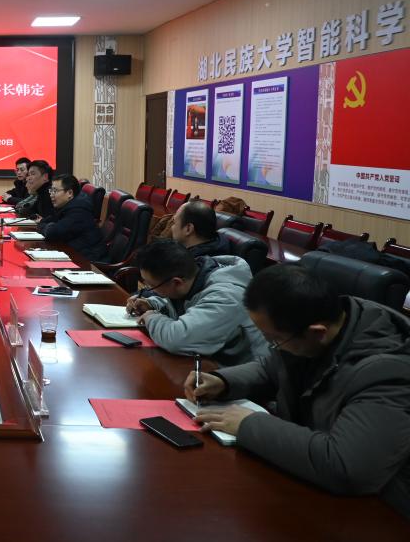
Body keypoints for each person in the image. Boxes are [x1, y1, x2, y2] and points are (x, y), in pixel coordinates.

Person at [186, 265, 410, 519]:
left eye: (273, 339)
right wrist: (223, 381)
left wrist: (249, 424)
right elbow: (273, 367)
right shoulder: (322, 323)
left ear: (317, 333)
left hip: (383, 513)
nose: (271, 346)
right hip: (310, 482)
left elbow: (347, 467)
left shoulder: (389, 373)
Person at [127, 240, 267, 364]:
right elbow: (185, 305)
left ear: (177, 282)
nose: (149, 289)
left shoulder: (225, 298)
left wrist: (151, 317)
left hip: (239, 374)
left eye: (152, 285)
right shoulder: (193, 275)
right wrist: (152, 304)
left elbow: (178, 340)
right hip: (206, 362)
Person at [37, 174, 107, 261]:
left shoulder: (78, 211)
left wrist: (45, 226)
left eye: (55, 191)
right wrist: (46, 225)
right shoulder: (67, 206)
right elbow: (45, 222)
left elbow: (52, 232)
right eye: (51, 190)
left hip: (88, 261)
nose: (51, 195)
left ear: (70, 193)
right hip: (75, 254)